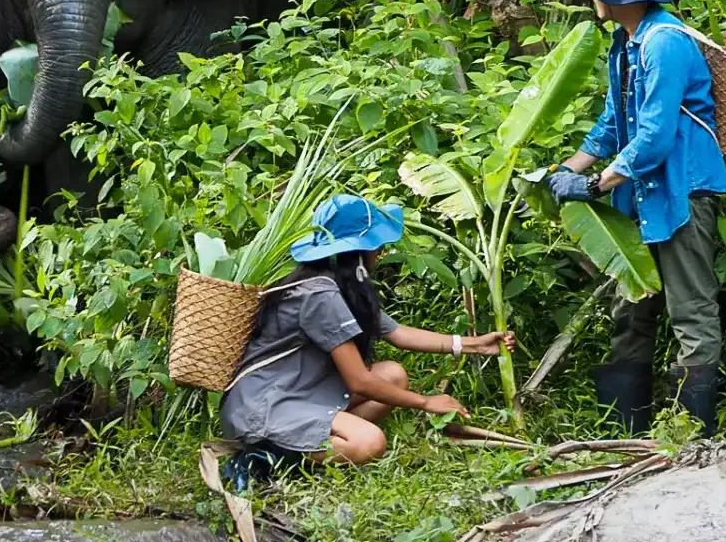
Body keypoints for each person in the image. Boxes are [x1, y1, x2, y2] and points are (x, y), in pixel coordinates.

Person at [544, 0, 726, 436]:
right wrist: (570, 169)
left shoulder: (665, 42)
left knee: (689, 310)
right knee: (630, 305)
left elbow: (655, 136)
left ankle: (691, 436)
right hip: (643, 191)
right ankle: (628, 434)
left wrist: (596, 186)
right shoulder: (627, 43)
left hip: (682, 190)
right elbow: (613, 120)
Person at [219, 194, 515, 470]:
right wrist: (425, 402)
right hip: (265, 407)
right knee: (370, 443)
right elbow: (359, 381)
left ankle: (312, 441)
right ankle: (267, 454)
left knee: (393, 375)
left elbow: (398, 334)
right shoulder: (319, 294)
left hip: (299, 392)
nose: (381, 251)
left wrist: (474, 344)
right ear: (358, 253)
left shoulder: (336, 284)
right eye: (376, 245)